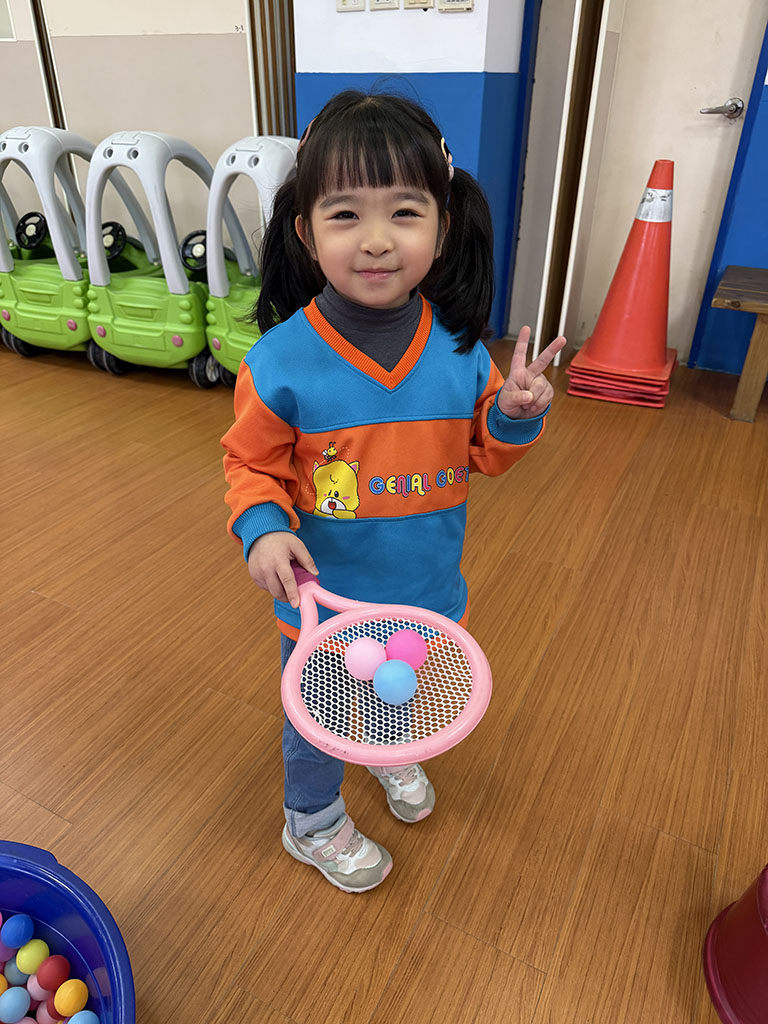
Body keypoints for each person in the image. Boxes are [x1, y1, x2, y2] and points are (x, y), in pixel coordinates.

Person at [221, 89, 565, 893]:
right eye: (345, 215)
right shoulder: (279, 363)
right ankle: (311, 820)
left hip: (424, 592)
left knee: (396, 691)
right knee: (316, 722)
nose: (376, 240)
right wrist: (263, 527)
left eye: (404, 212)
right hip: (322, 603)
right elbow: (249, 465)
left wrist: (513, 416)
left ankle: (385, 748)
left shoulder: (460, 353)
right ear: (305, 232)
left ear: (442, 229)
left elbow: (484, 452)